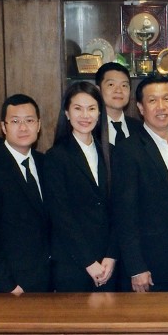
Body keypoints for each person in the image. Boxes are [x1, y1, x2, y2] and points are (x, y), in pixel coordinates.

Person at [112, 76, 168, 292]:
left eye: (166, 99)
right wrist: (136, 267)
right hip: (150, 268)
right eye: (152, 100)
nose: (161, 107)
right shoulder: (127, 150)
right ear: (140, 107)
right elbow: (124, 216)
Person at [0, 93, 55, 294]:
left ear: (38, 125)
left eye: (29, 121)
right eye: (15, 121)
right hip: (13, 284)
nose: (23, 128)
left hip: (47, 277)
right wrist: (7, 285)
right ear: (3, 127)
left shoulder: (44, 162)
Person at [43, 82, 117, 293]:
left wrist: (111, 256)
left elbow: (119, 209)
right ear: (67, 113)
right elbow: (60, 216)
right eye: (78, 108)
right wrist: (89, 262)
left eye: (91, 108)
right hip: (72, 265)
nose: (85, 115)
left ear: (100, 113)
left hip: (108, 264)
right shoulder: (55, 157)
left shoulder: (111, 153)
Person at [96, 62, 136, 144]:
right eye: (111, 84)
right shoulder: (89, 128)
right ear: (98, 90)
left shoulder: (140, 128)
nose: (118, 90)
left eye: (124, 85)